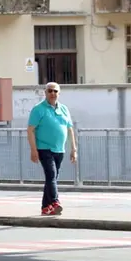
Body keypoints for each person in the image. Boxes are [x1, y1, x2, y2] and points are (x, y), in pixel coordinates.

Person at [27, 82, 77, 216]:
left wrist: (74, 149)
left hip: (59, 149)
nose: (52, 94)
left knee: (52, 178)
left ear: (59, 93)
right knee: (51, 175)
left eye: (55, 91)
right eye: (50, 91)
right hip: (44, 148)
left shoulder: (64, 109)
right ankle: (55, 201)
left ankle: (45, 206)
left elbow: (70, 129)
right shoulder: (38, 109)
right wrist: (33, 150)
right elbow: (30, 130)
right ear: (45, 93)